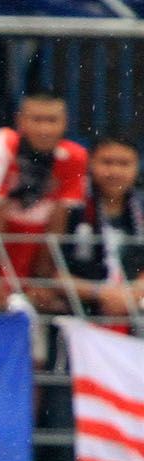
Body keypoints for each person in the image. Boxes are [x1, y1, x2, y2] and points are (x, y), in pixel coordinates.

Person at [50, 135, 144, 327]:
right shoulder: (70, 208)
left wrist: (135, 291)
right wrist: (100, 292)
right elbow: (50, 272)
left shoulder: (141, 208)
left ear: (137, 167)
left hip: (136, 319)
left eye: (124, 163)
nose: (115, 171)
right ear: (90, 163)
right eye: (107, 162)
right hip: (79, 319)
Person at [0, 90, 88, 282]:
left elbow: (62, 213)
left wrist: (43, 274)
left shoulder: (74, 156)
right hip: (0, 245)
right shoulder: (2, 149)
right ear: (20, 121)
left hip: (42, 248)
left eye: (52, 120)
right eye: (37, 120)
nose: (44, 129)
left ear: (65, 123)